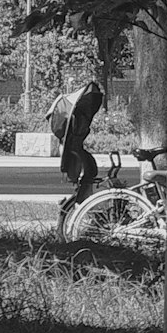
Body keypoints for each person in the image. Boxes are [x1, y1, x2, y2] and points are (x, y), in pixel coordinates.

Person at [55, 63, 107, 218]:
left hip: (81, 154)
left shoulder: (77, 132)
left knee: (91, 179)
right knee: (89, 178)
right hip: (80, 155)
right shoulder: (75, 134)